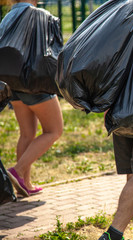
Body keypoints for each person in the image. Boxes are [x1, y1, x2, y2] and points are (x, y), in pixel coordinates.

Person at [0, 0, 63, 197]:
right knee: (54, 130)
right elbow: (52, 51)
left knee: (27, 134)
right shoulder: (40, 15)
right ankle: (17, 172)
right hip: (35, 83)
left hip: (12, 82)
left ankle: (25, 183)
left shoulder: (8, 17)